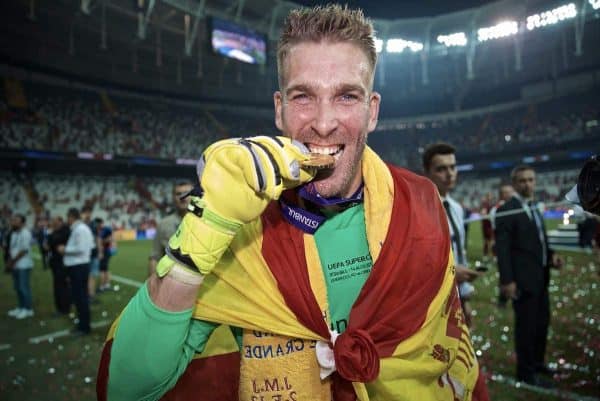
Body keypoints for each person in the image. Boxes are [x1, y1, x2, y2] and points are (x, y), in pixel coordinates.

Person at [99, 5, 487, 401]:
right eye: (304, 96)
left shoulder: (419, 203)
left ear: (372, 111)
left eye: (346, 97)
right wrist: (208, 226)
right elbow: (126, 388)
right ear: (279, 109)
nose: (323, 123)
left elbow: (448, 347)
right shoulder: (244, 230)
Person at [495, 164, 563, 387]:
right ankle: (525, 371)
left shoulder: (535, 206)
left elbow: (540, 239)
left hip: (541, 276)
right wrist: (507, 281)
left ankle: (537, 362)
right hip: (522, 280)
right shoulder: (508, 209)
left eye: (531, 180)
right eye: (522, 180)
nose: (528, 184)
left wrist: (551, 256)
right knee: (526, 326)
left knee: (542, 322)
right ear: (514, 184)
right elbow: (502, 249)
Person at [422, 143, 481, 326]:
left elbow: (459, 252)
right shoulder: (420, 209)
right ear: (427, 173)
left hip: (458, 296)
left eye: (452, 167)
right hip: (434, 301)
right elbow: (418, 260)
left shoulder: (456, 208)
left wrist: (465, 300)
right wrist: (452, 272)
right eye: (441, 169)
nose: (449, 174)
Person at [59, 207, 95, 335]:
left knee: (80, 298)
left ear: (71, 217)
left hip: (78, 267)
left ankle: (84, 327)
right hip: (81, 266)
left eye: (68, 217)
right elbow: (91, 246)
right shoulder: (83, 228)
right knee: (80, 297)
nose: (67, 220)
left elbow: (81, 248)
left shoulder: (79, 229)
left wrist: (65, 249)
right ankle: (82, 324)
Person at [148, 181, 194, 277]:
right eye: (178, 194)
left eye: (187, 193)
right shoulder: (163, 224)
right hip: (171, 284)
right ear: (173, 198)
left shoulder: (205, 223)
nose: (183, 197)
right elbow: (154, 257)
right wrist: (152, 287)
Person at [6, 214, 35, 319]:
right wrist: (10, 261)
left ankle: (28, 309)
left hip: (24, 264)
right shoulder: (14, 233)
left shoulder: (26, 233)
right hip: (16, 264)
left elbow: (24, 250)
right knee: (18, 287)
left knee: (24, 287)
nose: (13, 222)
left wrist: (12, 261)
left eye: (16, 220)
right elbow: (12, 249)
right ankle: (21, 307)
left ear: (22, 223)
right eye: (13, 220)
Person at [46, 215, 71, 315]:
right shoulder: (55, 232)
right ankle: (61, 307)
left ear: (60, 221)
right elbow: (48, 244)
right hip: (55, 263)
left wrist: (52, 240)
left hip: (62, 263)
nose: (53, 222)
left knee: (62, 286)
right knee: (58, 286)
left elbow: (53, 242)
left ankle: (64, 308)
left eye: (54, 221)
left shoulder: (65, 230)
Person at [81, 205, 101, 300]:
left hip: (93, 253)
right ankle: (88, 293)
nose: (88, 214)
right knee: (86, 275)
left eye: (89, 212)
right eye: (86, 212)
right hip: (84, 255)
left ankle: (91, 294)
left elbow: (97, 238)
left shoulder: (93, 224)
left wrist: (100, 251)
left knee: (93, 274)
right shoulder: (81, 225)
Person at [95, 218, 114, 292]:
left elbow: (110, 239)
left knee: (102, 269)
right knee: (105, 269)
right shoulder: (99, 230)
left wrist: (100, 241)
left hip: (105, 251)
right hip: (104, 251)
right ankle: (106, 284)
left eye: (97, 223)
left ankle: (102, 286)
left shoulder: (106, 229)